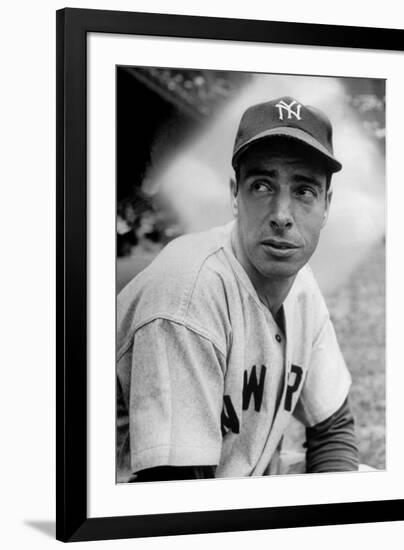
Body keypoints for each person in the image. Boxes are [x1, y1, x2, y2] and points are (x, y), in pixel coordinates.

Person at [116, 96, 359, 483]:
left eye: (304, 191)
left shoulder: (301, 284)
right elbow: (173, 496)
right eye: (262, 186)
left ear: (326, 204)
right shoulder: (187, 298)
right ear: (235, 195)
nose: (281, 215)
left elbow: (333, 429)